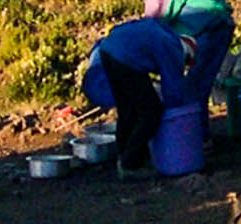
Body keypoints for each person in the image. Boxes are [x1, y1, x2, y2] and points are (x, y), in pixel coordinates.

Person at [83, 18, 199, 178]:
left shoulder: (163, 32)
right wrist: (175, 110)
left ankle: (123, 157)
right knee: (151, 112)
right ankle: (131, 163)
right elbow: (172, 84)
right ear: (187, 54)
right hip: (127, 59)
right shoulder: (173, 47)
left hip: (108, 51)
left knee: (127, 111)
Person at [135, 0, 234, 93]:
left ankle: (191, 113)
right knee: (202, 81)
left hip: (209, 25)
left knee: (196, 85)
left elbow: (152, 24)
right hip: (221, 23)